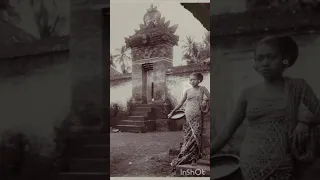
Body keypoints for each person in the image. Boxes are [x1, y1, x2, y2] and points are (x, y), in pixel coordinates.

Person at [211, 35, 320, 180]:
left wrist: (305, 122)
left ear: (284, 59)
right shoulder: (248, 94)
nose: (265, 63)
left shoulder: (298, 87)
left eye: (271, 57)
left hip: (284, 165)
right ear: (255, 64)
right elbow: (227, 132)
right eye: (260, 58)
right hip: (250, 165)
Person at [168, 72, 210, 170]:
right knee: (188, 136)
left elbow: (209, 97)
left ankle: (194, 158)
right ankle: (187, 155)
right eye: (190, 79)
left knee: (195, 136)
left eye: (193, 79)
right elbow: (181, 103)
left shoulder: (202, 89)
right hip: (188, 115)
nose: (191, 81)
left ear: (199, 80)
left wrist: (205, 100)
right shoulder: (187, 91)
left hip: (197, 116)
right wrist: (172, 112)